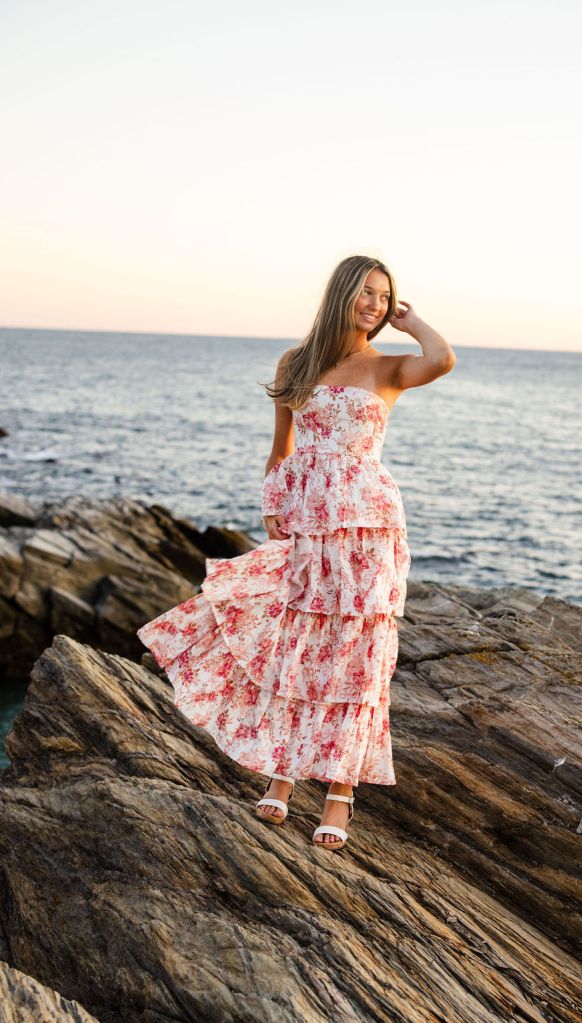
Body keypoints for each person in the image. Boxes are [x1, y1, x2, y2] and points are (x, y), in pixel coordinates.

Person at [136, 254, 455, 852]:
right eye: (365, 293)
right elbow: (279, 449)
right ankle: (282, 770)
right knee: (301, 643)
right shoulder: (296, 364)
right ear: (340, 294)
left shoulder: (388, 366)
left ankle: (340, 794)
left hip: (366, 525)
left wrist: (412, 323)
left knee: (358, 651)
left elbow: (443, 360)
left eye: (384, 298)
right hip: (308, 522)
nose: (375, 305)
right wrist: (271, 504)